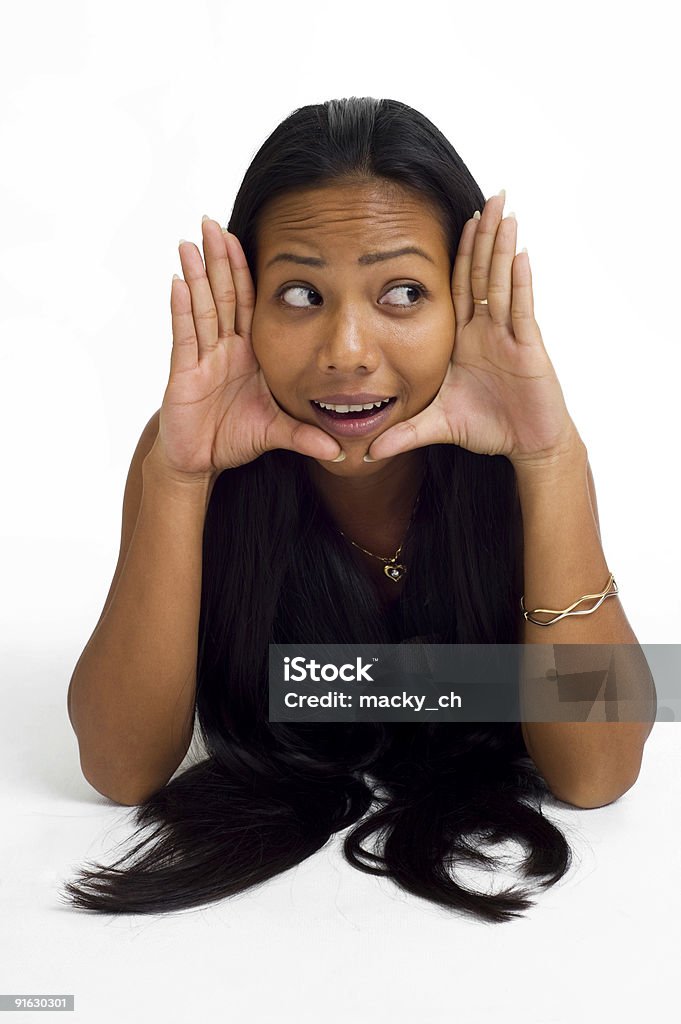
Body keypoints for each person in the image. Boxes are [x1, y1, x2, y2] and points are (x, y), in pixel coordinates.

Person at [62, 97, 656, 923]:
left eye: (403, 292)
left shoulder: (525, 456)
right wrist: (180, 478)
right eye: (301, 293)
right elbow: (121, 769)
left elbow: (596, 772)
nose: (346, 350)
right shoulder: (184, 453)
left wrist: (550, 462)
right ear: (247, 304)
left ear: (462, 303)